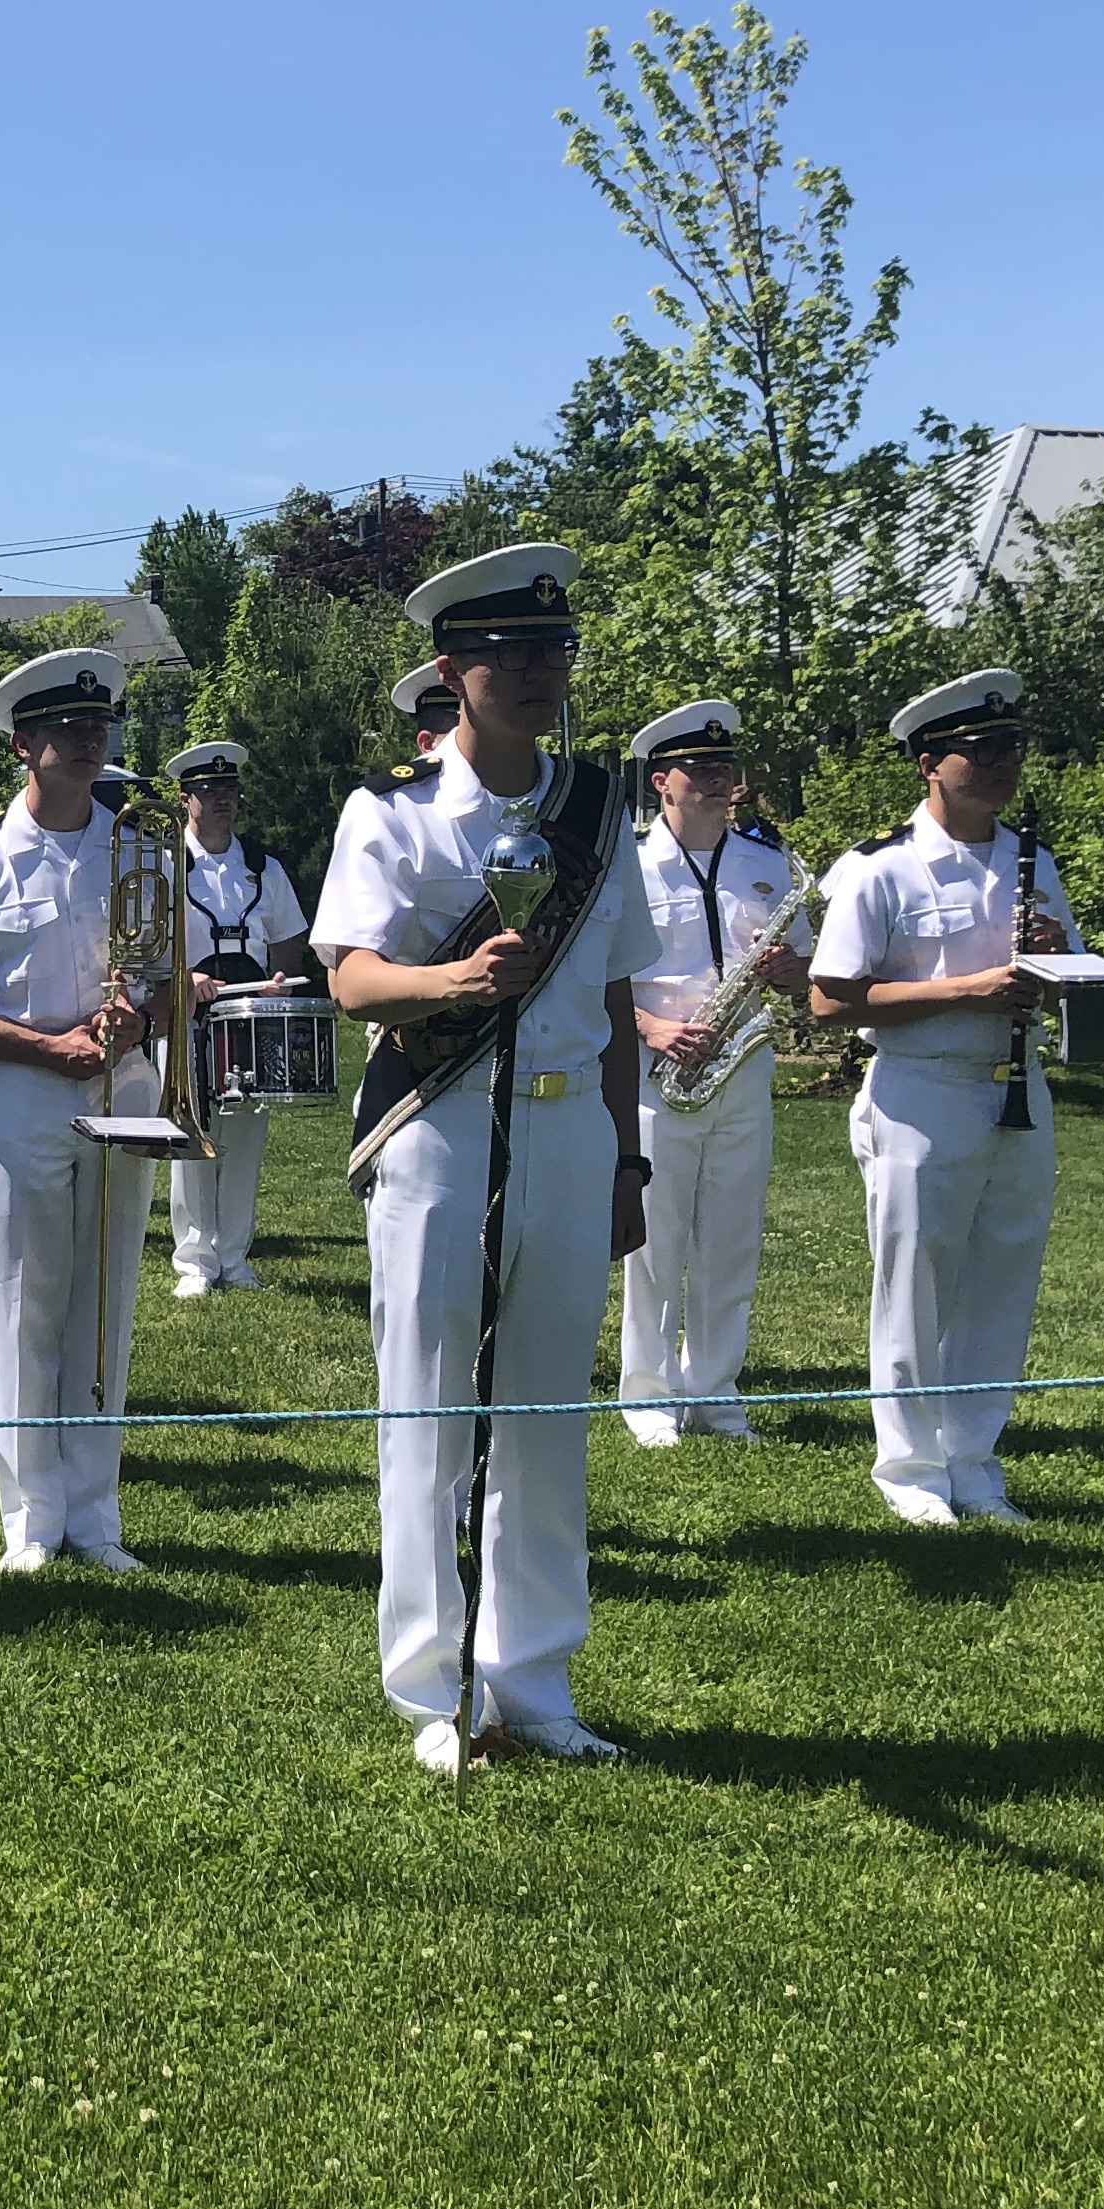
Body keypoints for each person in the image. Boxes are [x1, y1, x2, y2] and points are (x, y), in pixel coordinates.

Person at [315, 542, 650, 1773]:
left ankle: (535, 1678)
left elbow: (613, 998)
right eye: (505, 652)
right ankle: (430, 1686)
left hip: (572, 1128)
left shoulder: (604, 812)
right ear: (451, 671)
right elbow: (349, 975)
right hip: (441, 1127)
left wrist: (627, 1167)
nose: (533, 671)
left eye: (552, 649)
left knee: (548, 1411)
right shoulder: (389, 814)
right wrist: (453, 979)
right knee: (431, 1404)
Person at [0, 649, 166, 1577]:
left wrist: (143, 1016)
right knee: (26, 1306)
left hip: (122, 1087)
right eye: (65, 728)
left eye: (97, 726)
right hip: (18, 1092)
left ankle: (96, 1516)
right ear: (24, 744)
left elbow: (172, 983)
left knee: (106, 1305)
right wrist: (44, 1047)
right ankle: (31, 1519)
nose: (87, 740)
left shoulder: (140, 845)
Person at [808, 666, 1077, 1530]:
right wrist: (966, 992)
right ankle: (911, 1468)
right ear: (931, 762)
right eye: (980, 751)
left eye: (1012, 750)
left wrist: (1058, 954)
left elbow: (1068, 983)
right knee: (917, 1282)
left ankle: (973, 1458)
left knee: (1002, 1279)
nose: (1001, 767)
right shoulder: (881, 868)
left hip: (1017, 1087)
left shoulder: (1032, 860)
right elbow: (828, 999)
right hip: (921, 1092)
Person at [617, 700, 809, 1446]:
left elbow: (803, 967)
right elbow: (595, 977)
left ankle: (717, 1391)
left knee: (732, 1238)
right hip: (654, 1071)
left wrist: (794, 971)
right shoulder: (628, 865)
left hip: (743, 1067)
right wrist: (651, 1026)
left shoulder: (768, 863)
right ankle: (649, 1396)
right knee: (655, 1240)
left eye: (726, 768)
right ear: (662, 779)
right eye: (701, 769)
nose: (719, 781)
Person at [162, 741, 317, 1296]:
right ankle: (195, 1262)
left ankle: (235, 1257)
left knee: (246, 1135)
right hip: (188, 1013)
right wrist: (181, 980)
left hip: (249, 1014)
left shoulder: (262, 866)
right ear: (186, 799)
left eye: (228, 790)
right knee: (192, 1132)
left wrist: (279, 985)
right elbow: (143, 944)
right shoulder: (164, 862)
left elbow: (288, 937)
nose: (222, 800)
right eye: (209, 791)